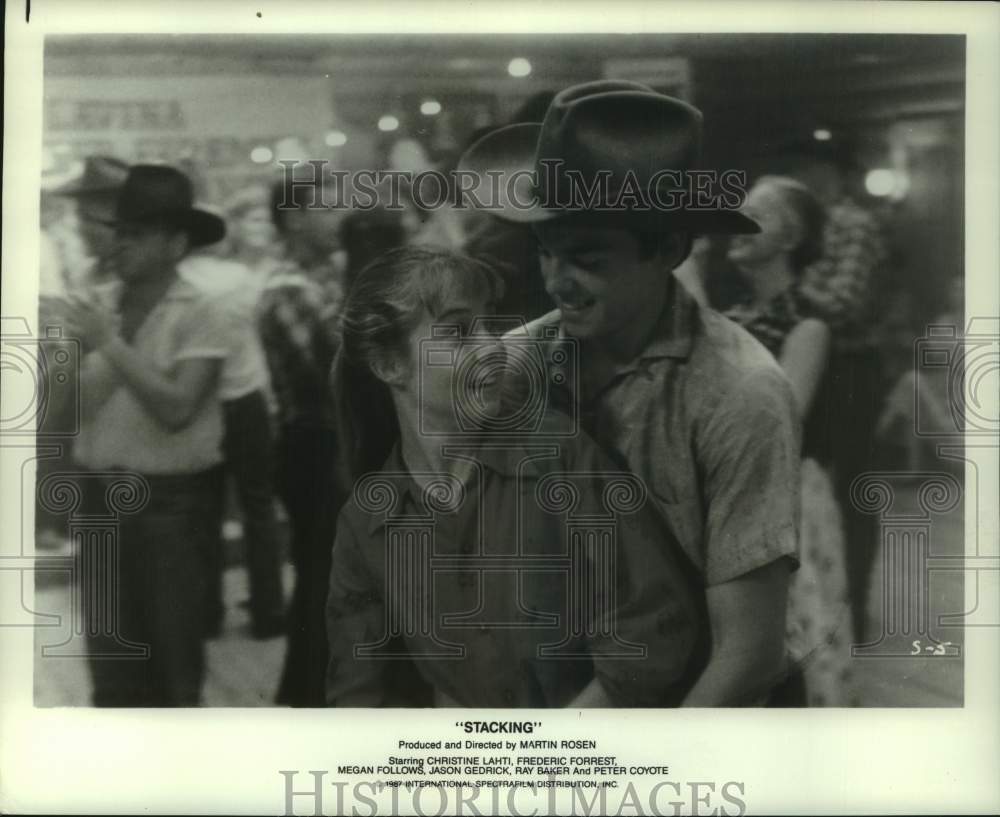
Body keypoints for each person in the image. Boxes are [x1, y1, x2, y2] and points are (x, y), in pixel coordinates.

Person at [459, 81, 802, 706]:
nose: (557, 282)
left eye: (588, 259)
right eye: (546, 254)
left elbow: (749, 652)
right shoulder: (517, 364)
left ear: (668, 248)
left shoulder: (738, 393)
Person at [325, 246, 707, 707]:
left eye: (488, 325)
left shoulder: (556, 457)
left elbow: (655, 626)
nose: (492, 347)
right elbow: (358, 694)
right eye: (459, 332)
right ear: (389, 365)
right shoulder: (366, 524)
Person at [60, 164, 234, 706]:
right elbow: (68, 409)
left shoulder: (204, 311)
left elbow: (177, 408)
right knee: (111, 667)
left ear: (175, 245)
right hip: (98, 498)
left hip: (170, 505)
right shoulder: (99, 306)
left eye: (137, 234)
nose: (121, 244)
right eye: (119, 232)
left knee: (173, 662)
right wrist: (65, 353)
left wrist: (109, 344)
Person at [726, 175, 855, 706]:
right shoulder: (729, 318)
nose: (736, 224)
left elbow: (781, 421)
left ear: (791, 237)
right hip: (732, 487)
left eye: (755, 216)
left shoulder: (808, 325)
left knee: (797, 629)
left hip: (787, 493)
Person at [258, 174, 346, 705]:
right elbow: (332, 374)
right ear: (294, 219)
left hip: (329, 438)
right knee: (321, 572)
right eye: (328, 207)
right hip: (315, 444)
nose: (341, 216)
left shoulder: (327, 276)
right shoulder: (287, 289)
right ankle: (309, 693)